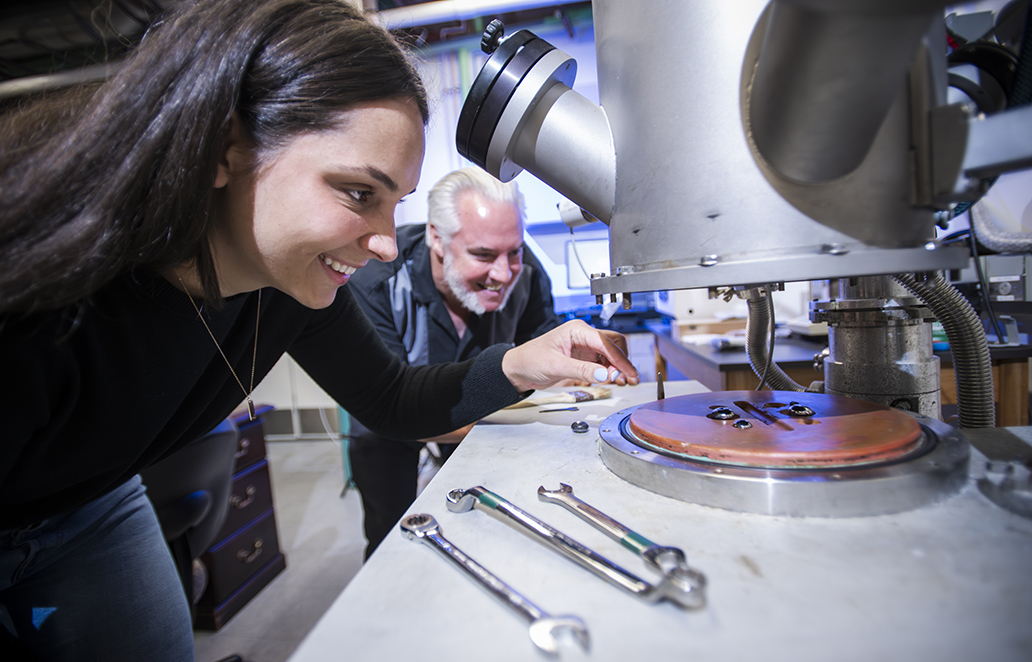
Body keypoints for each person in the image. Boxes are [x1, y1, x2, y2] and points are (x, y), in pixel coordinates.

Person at [0, 1, 638, 660]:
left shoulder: (286, 292)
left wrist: (519, 364)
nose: (388, 244)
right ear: (225, 147)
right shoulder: (43, 296)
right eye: (360, 194)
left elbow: (392, 399)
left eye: (395, 204)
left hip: (93, 503)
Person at [347, 167, 566, 558]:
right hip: (390, 422)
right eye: (482, 255)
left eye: (513, 251)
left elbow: (546, 346)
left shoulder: (525, 270)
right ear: (437, 237)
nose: (503, 274)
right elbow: (390, 406)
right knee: (391, 532)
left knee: (491, 516)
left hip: (481, 415)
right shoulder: (375, 282)